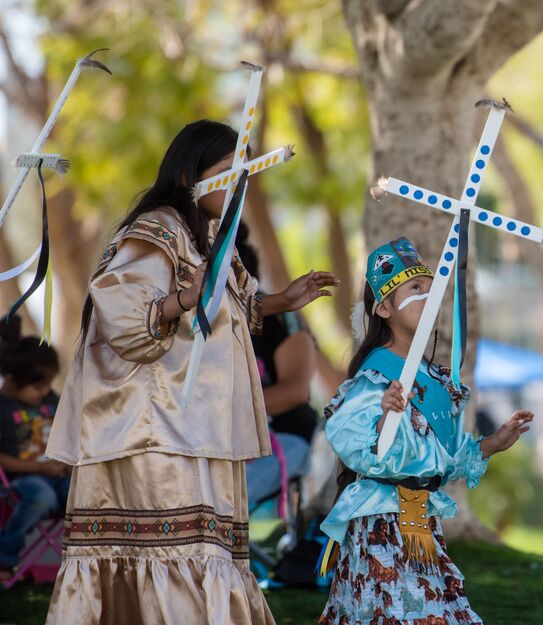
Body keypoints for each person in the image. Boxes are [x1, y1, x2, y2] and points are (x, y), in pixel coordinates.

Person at [43, 120, 339, 625]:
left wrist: (281, 300)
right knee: (176, 549)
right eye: (227, 172)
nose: (237, 185)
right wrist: (184, 297)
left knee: (204, 549)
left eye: (243, 175)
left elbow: (230, 309)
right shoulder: (156, 229)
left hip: (192, 425)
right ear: (189, 176)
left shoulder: (207, 239)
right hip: (152, 432)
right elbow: (121, 306)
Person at [318, 238, 533, 625]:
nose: (428, 294)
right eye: (415, 288)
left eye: (430, 286)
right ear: (383, 308)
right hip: (381, 525)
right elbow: (355, 443)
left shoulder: (434, 380)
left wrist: (491, 445)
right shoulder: (376, 375)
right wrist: (385, 415)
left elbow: (438, 463)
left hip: (422, 524)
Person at [234, 223, 319, 507]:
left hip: (283, 439)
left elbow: (296, 390)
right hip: (223, 447)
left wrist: (221, 413)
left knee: (221, 497)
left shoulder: (282, 319)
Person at [0, 316, 68, 582]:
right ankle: (5, 556)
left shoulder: (52, 400)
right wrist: (39, 467)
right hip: (23, 479)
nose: (43, 391)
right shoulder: (4, 407)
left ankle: (87, 560)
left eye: (47, 385)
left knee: (84, 492)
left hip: (57, 474)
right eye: (37, 386)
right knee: (43, 497)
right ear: (14, 382)